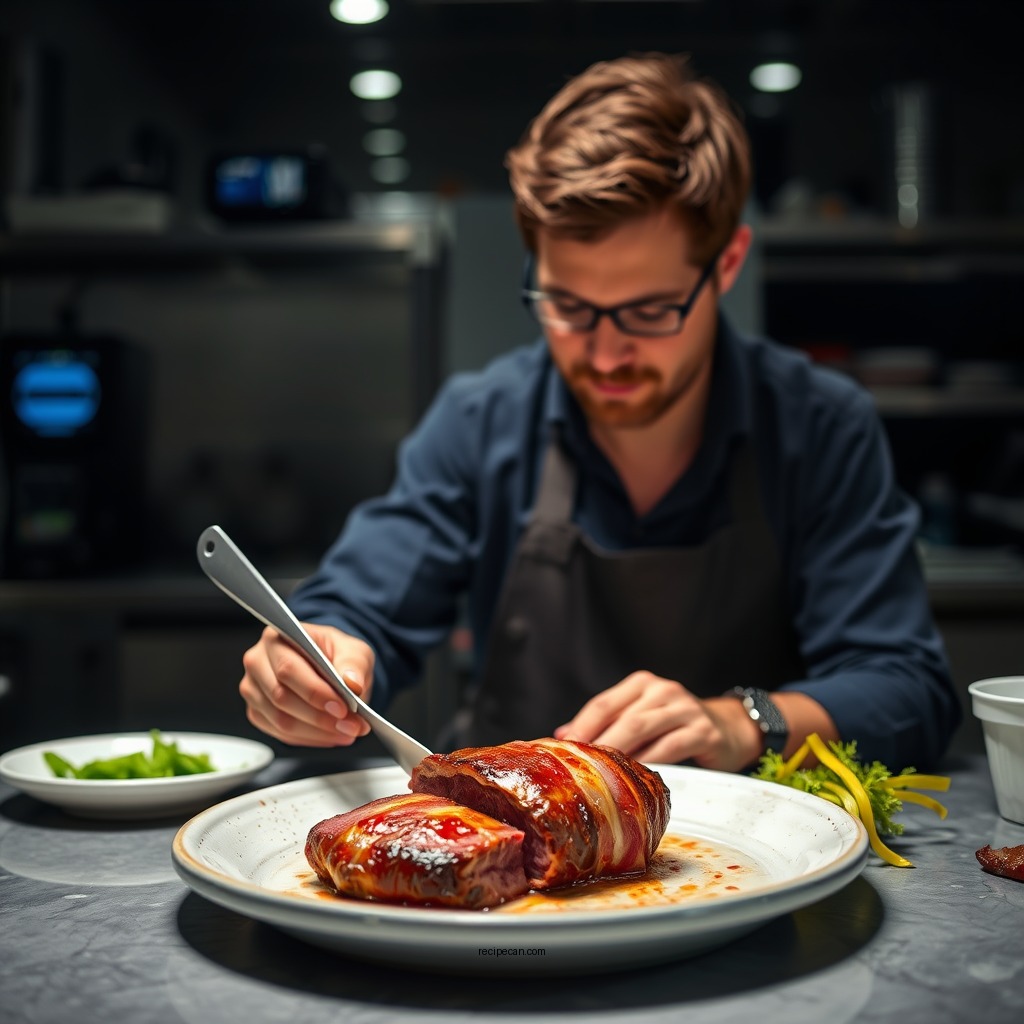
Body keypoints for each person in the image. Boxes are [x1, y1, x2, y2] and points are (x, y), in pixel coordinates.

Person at [239, 52, 961, 772]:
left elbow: (906, 688)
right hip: (511, 861)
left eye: (650, 310)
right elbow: (362, 603)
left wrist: (742, 722)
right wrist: (317, 657)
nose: (607, 354)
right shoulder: (480, 421)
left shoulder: (819, 426)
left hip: (745, 863)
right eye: (569, 307)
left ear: (728, 263)